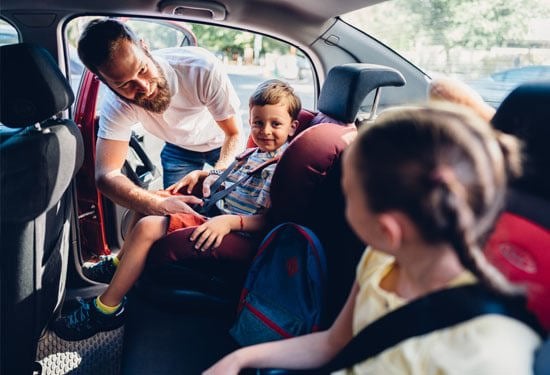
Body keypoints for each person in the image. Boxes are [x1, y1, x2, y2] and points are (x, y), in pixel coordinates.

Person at [203, 105, 542, 374]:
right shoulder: (381, 260)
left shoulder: (486, 356)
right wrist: (241, 359)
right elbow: (333, 343)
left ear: (387, 229)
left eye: (346, 196)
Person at [53, 79, 301, 341]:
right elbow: (233, 181)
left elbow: (272, 220)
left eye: (276, 124)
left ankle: (106, 309)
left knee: (149, 226)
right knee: (153, 199)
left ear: (293, 127)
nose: (265, 130)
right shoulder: (254, 153)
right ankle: (118, 263)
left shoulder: (281, 166)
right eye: (257, 123)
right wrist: (204, 174)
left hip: (237, 231)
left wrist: (230, 223)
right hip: (217, 210)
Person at [77, 18, 244, 217]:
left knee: (237, 206)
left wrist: (219, 173)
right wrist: (155, 204)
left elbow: (233, 133)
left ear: (144, 46)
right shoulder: (116, 104)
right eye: (124, 85)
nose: (144, 87)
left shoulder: (201, 69)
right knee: (175, 214)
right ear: (104, 82)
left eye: (142, 69)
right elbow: (106, 175)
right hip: (179, 149)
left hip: (222, 143)